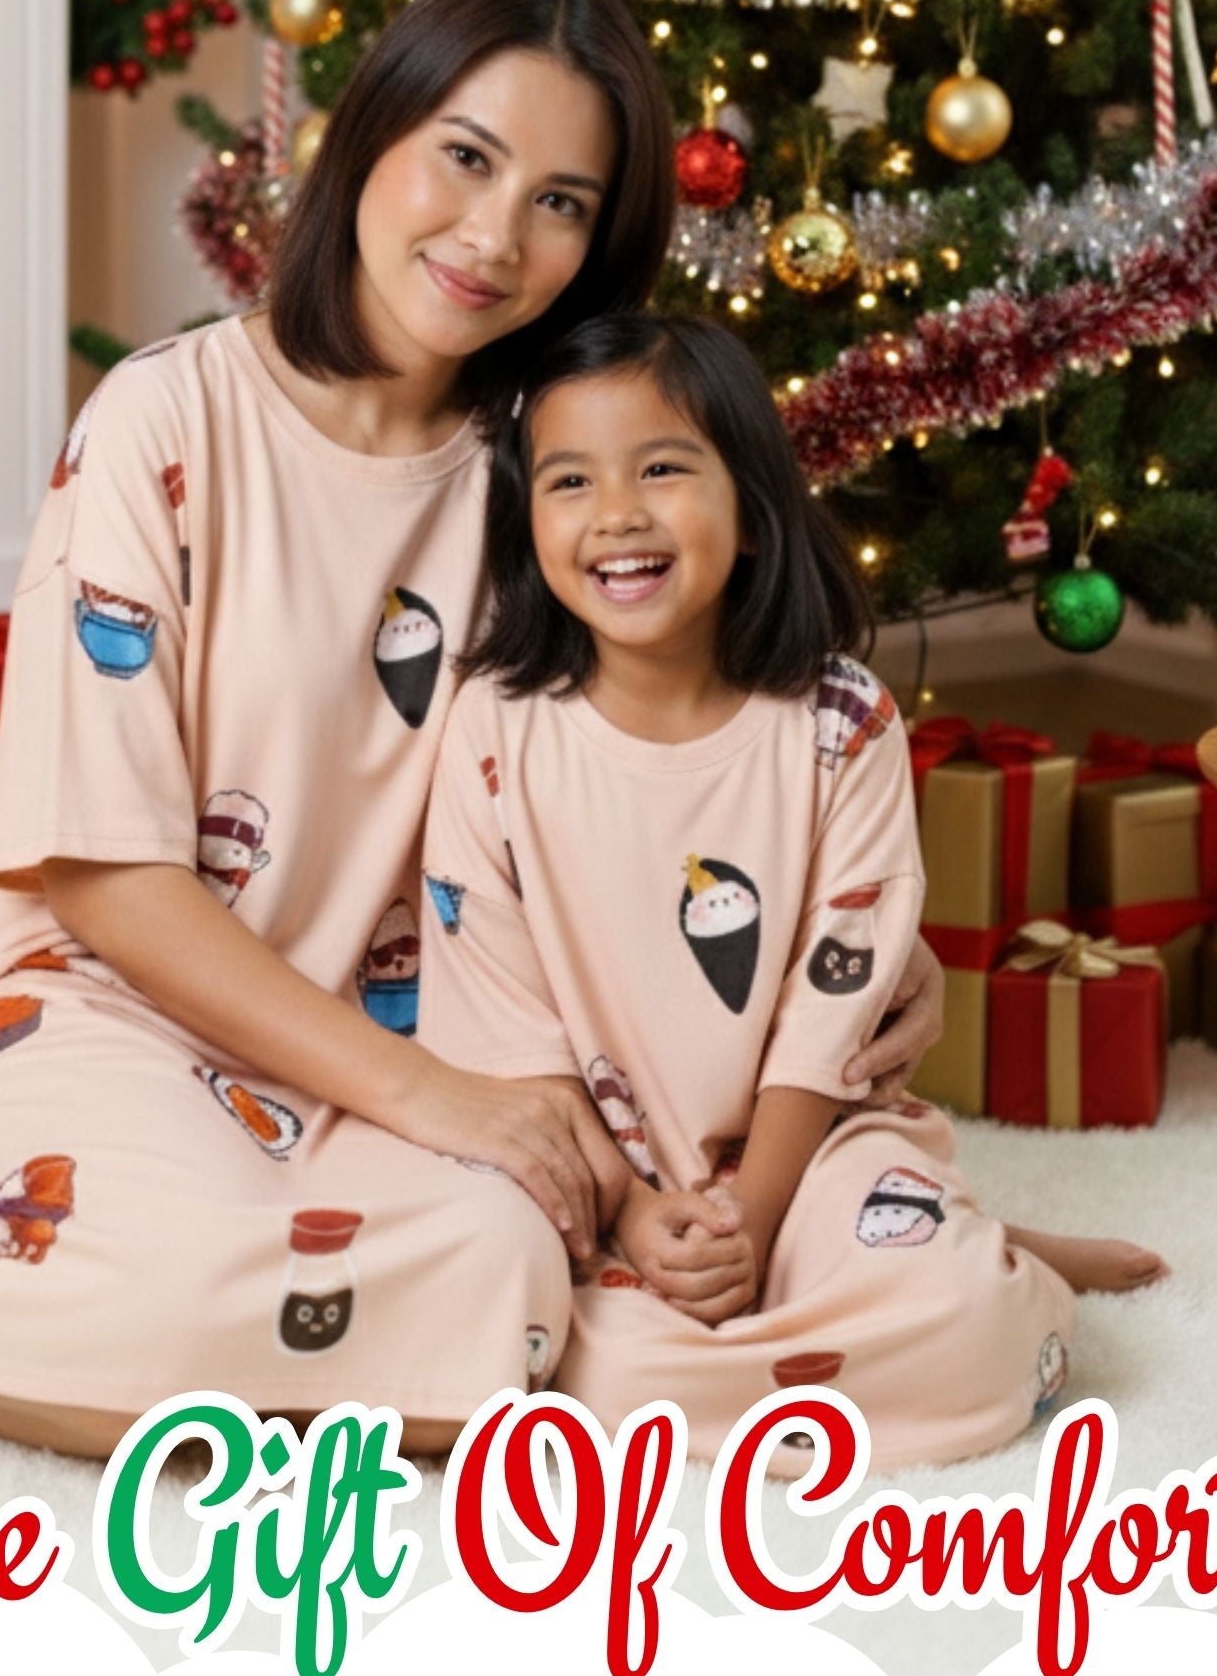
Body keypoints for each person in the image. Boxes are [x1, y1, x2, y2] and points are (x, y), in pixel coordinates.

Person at [0, 0, 947, 1460]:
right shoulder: (166, 421)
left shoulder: (560, 475)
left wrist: (836, 979)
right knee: (197, 1276)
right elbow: (101, 870)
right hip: (81, 1011)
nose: (493, 235)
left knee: (506, 1269)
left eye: (562, 202)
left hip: (397, 1059)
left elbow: (662, 763)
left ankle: (94, 1327)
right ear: (372, 138)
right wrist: (441, 1103)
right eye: (466, 158)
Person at [416, 312, 1165, 1469]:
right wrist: (625, 1207)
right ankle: (954, 1244)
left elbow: (833, 1004)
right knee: (583, 1370)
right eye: (569, 481)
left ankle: (976, 1251)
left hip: (807, 1151)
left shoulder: (839, 720)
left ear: (753, 507)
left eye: (661, 467)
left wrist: (754, 1218)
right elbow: (506, 1021)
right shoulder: (490, 728)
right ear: (529, 522)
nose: (616, 513)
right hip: (593, 1169)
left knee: (969, 1324)